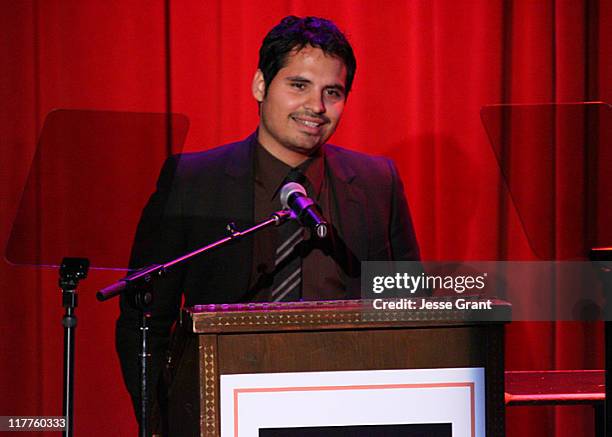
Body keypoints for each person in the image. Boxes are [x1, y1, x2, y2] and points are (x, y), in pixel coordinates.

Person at [116, 15, 420, 423]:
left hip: (348, 409)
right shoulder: (192, 181)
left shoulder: (377, 183)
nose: (316, 106)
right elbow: (145, 320)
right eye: (299, 85)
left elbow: (411, 307)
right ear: (261, 85)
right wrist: (160, 423)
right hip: (224, 408)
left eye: (333, 92)